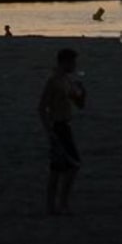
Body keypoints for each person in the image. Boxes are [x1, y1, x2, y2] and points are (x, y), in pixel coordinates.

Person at [37, 47, 86, 215]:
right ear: (65, 62)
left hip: (65, 126)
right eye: (73, 62)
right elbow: (41, 108)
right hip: (57, 127)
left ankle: (57, 205)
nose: (75, 65)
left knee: (61, 168)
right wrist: (49, 132)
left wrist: (82, 93)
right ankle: (57, 205)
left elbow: (79, 105)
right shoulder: (53, 81)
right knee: (66, 167)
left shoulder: (67, 81)